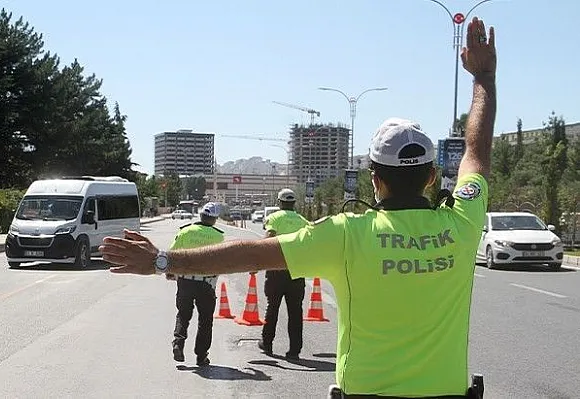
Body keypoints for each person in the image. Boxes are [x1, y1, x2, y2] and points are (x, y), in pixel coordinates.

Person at [100, 17, 495, 398]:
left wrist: (162, 262)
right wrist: (483, 80)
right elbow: (476, 152)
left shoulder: (347, 233)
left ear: (375, 177)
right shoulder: (463, 221)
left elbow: (249, 254)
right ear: (431, 177)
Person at [165, 202, 225, 367]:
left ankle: (178, 343)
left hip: (185, 281)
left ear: (201, 215)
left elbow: (172, 254)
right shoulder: (219, 237)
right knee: (205, 321)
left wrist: (170, 272)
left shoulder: (186, 231)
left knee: (183, 315)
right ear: (214, 219)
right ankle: (201, 356)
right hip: (206, 284)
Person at [258, 188, 309, 359]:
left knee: (272, 307)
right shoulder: (303, 221)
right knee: (295, 312)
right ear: (294, 203)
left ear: (280, 203)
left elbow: (269, 238)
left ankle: (267, 343)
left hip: (276, 271)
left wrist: (259, 262)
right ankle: (294, 350)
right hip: (296, 271)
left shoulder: (274, 217)